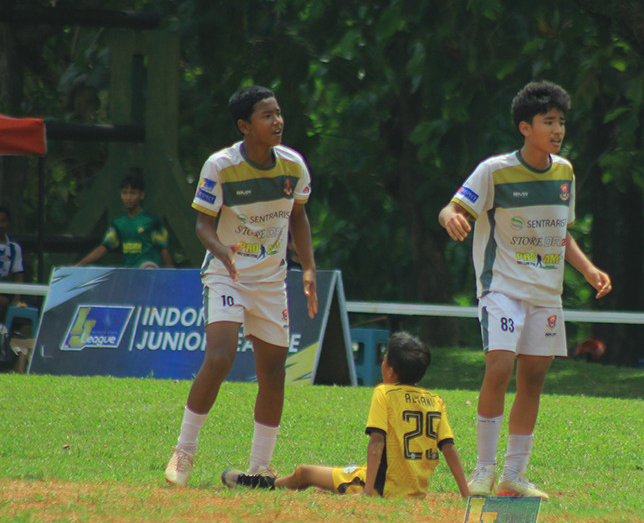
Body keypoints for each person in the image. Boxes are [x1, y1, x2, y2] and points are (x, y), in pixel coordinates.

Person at [438, 80, 612, 500]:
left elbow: (561, 232)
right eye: (547, 121)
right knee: (499, 368)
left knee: (532, 379)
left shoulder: (565, 172)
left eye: (561, 122)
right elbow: (452, 207)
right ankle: (483, 471)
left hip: (546, 294)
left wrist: (588, 270)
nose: (557, 130)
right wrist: (450, 219)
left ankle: (514, 476)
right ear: (524, 127)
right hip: (502, 288)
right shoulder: (494, 170)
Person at [164, 85, 319, 487]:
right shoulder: (220, 166)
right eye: (267, 116)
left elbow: (298, 216)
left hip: (270, 280)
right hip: (226, 272)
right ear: (244, 126)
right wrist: (222, 251)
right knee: (220, 357)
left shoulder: (293, 166)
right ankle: (183, 452)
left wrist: (308, 268)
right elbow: (202, 223)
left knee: (272, 372)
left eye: (279, 113)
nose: (278, 121)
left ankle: (260, 467)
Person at [221, 331, 471, 499]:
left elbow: (376, 444)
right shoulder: (435, 400)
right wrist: (466, 495)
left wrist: (368, 493)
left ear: (391, 371)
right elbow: (448, 449)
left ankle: (259, 484)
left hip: (384, 489)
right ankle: (335, 486)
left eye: (384, 360)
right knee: (333, 478)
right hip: (413, 490)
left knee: (304, 472)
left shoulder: (385, 393)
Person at [75, 168, 173, 269]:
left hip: (148, 270)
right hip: (129, 272)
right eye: (125, 193)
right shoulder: (118, 223)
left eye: (132, 193)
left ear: (141, 195)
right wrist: (79, 265)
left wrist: (172, 275)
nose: (128, 197)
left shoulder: (152, 221)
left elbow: (163, 249)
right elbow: (104, 248)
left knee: (148, 267)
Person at [0, 206, 25, 320]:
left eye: (3, 221)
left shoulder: (14, 247)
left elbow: (18, 275)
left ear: (8, 223)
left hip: (5, 289)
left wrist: (17, 298)